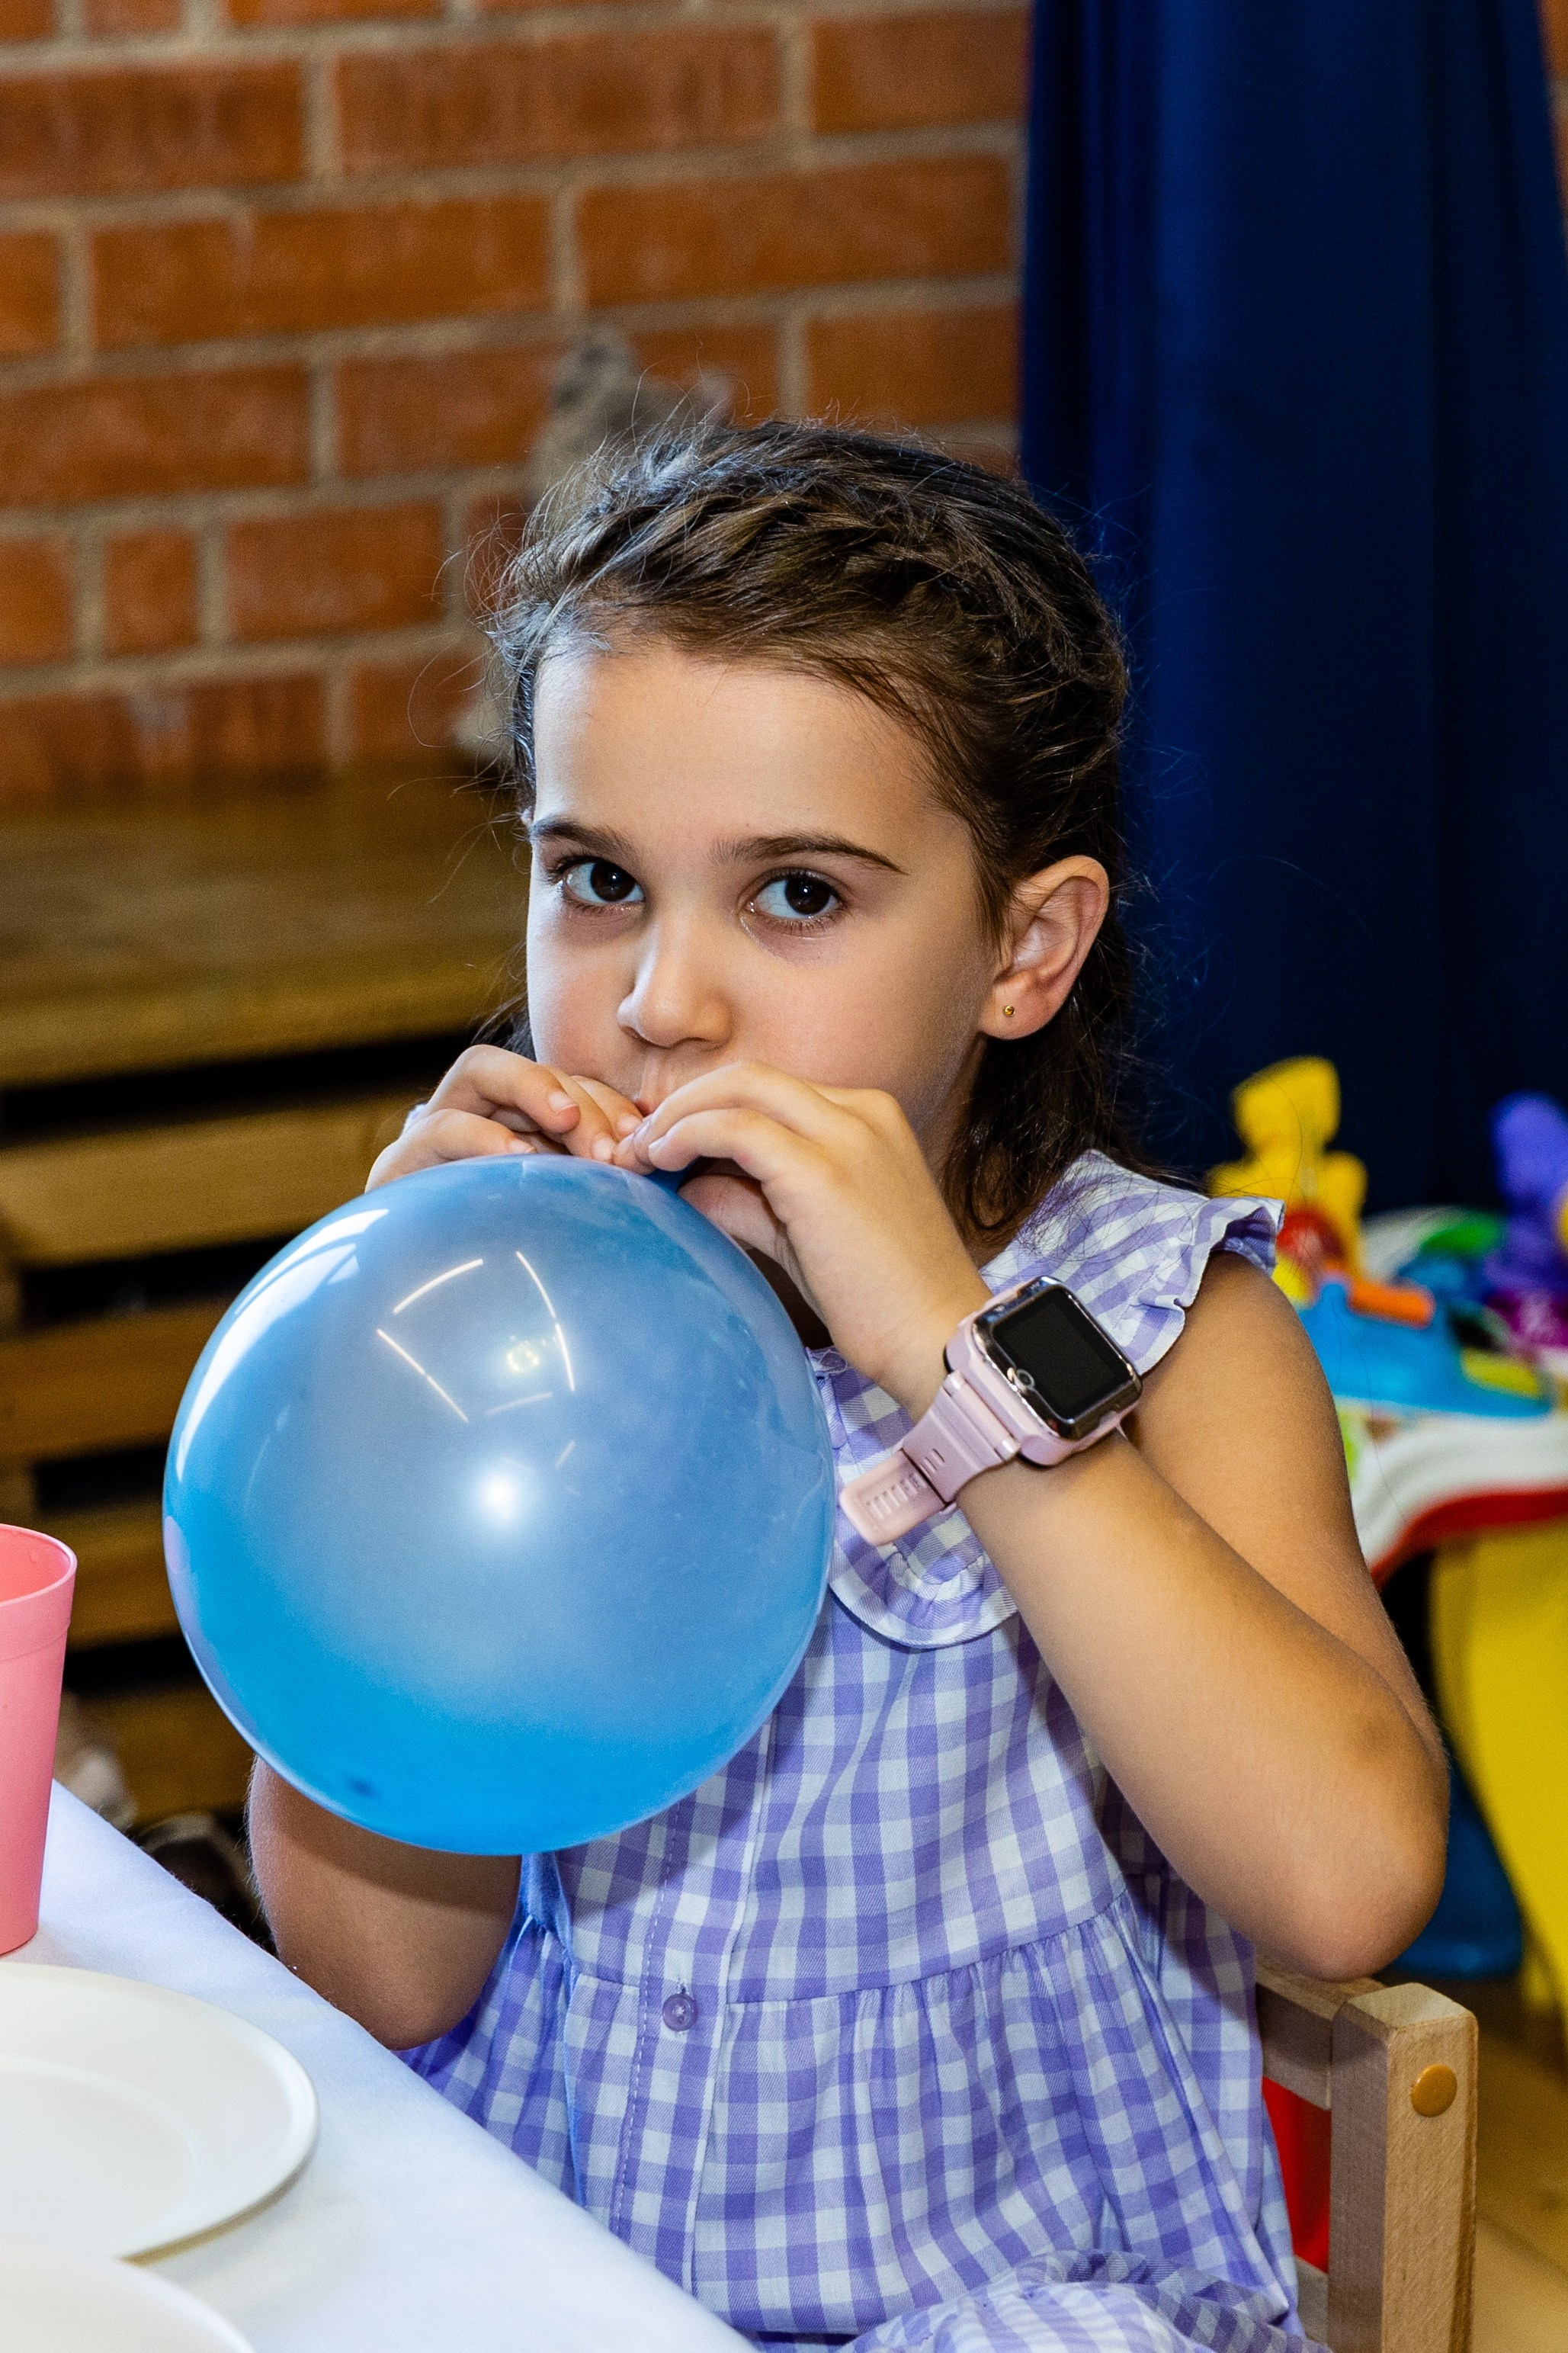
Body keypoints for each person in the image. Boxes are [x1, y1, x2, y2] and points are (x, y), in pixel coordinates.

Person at [249, 422, 1446, 2352]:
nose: (663, 1001)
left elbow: (1349, 1886)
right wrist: (388, 1449)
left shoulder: (1160, 1331)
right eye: (600, 879)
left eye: (796, 894)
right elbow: (381, 1981)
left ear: (1025, 948)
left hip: (1022, 2302)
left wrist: (957, 1366)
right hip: (559, 2273)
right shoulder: (542, 1336)